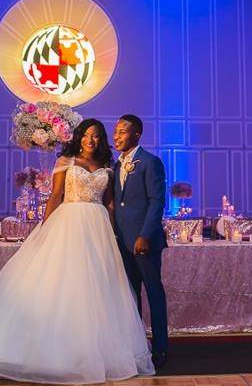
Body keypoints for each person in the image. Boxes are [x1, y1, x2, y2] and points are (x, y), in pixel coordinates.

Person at [0, 119, 154, 384]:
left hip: (98, 227)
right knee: (64, 283)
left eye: (96, 136)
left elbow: (110, 203)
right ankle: (52, 349)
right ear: (79, 138)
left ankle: (96, 350)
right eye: (86, 135)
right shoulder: (66, 162)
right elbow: (56, 196)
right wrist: (45, 229)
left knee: (100, 287)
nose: (91, 140)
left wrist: (113, 232)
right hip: (69, 222)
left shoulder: (106, 167)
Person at [112, 115, 169, 369]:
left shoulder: (150, 162)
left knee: (153, 292)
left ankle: (160, 349)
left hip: (144, 241)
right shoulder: (115, 166)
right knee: (129, 295)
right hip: (122, 242)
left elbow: (157, 202)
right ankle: (135, 348)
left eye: (123, 132)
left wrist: (145, 235)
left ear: (136, 135)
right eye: (115, 131)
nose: (117, 136)